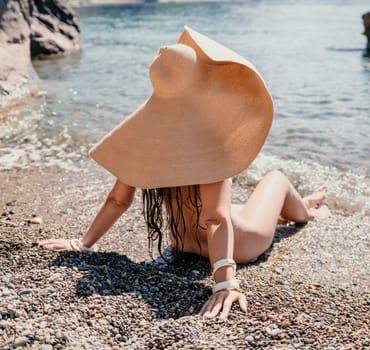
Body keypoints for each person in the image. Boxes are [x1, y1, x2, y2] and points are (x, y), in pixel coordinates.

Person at [39, 27, 329, 320]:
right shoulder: (209, 138)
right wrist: (224, 284)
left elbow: (117, 200)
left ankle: (299, 207)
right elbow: (216, 218)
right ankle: (304, 212)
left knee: (237, 206)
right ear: (202, 82)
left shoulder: (144, 137)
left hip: (182, 243)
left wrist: (83, 244)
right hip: (241, 246)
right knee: (275, 178)